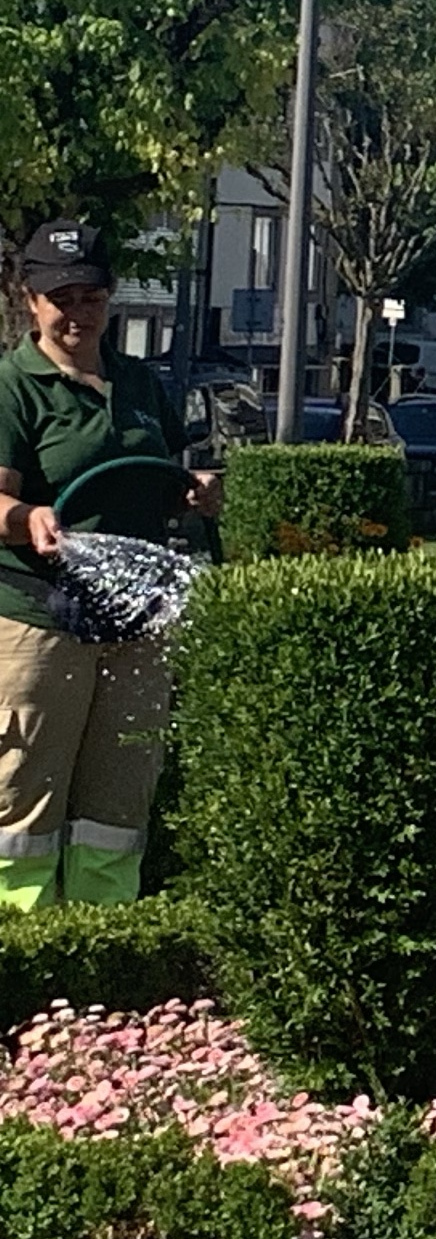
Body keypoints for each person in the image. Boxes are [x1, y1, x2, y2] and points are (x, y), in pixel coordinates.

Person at [0, 221, 209, 911]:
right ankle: (20, 939)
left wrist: (193, 491)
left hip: (135, 621)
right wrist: (26, 518)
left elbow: (160, 478)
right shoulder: (13, 386)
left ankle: (105, 932)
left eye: (90, 297)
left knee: (120, 797)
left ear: (110, 298)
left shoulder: (138, 381)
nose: (77, 313)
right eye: (60, 298)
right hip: (39, 618)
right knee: (23, 795)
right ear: (30, 300)